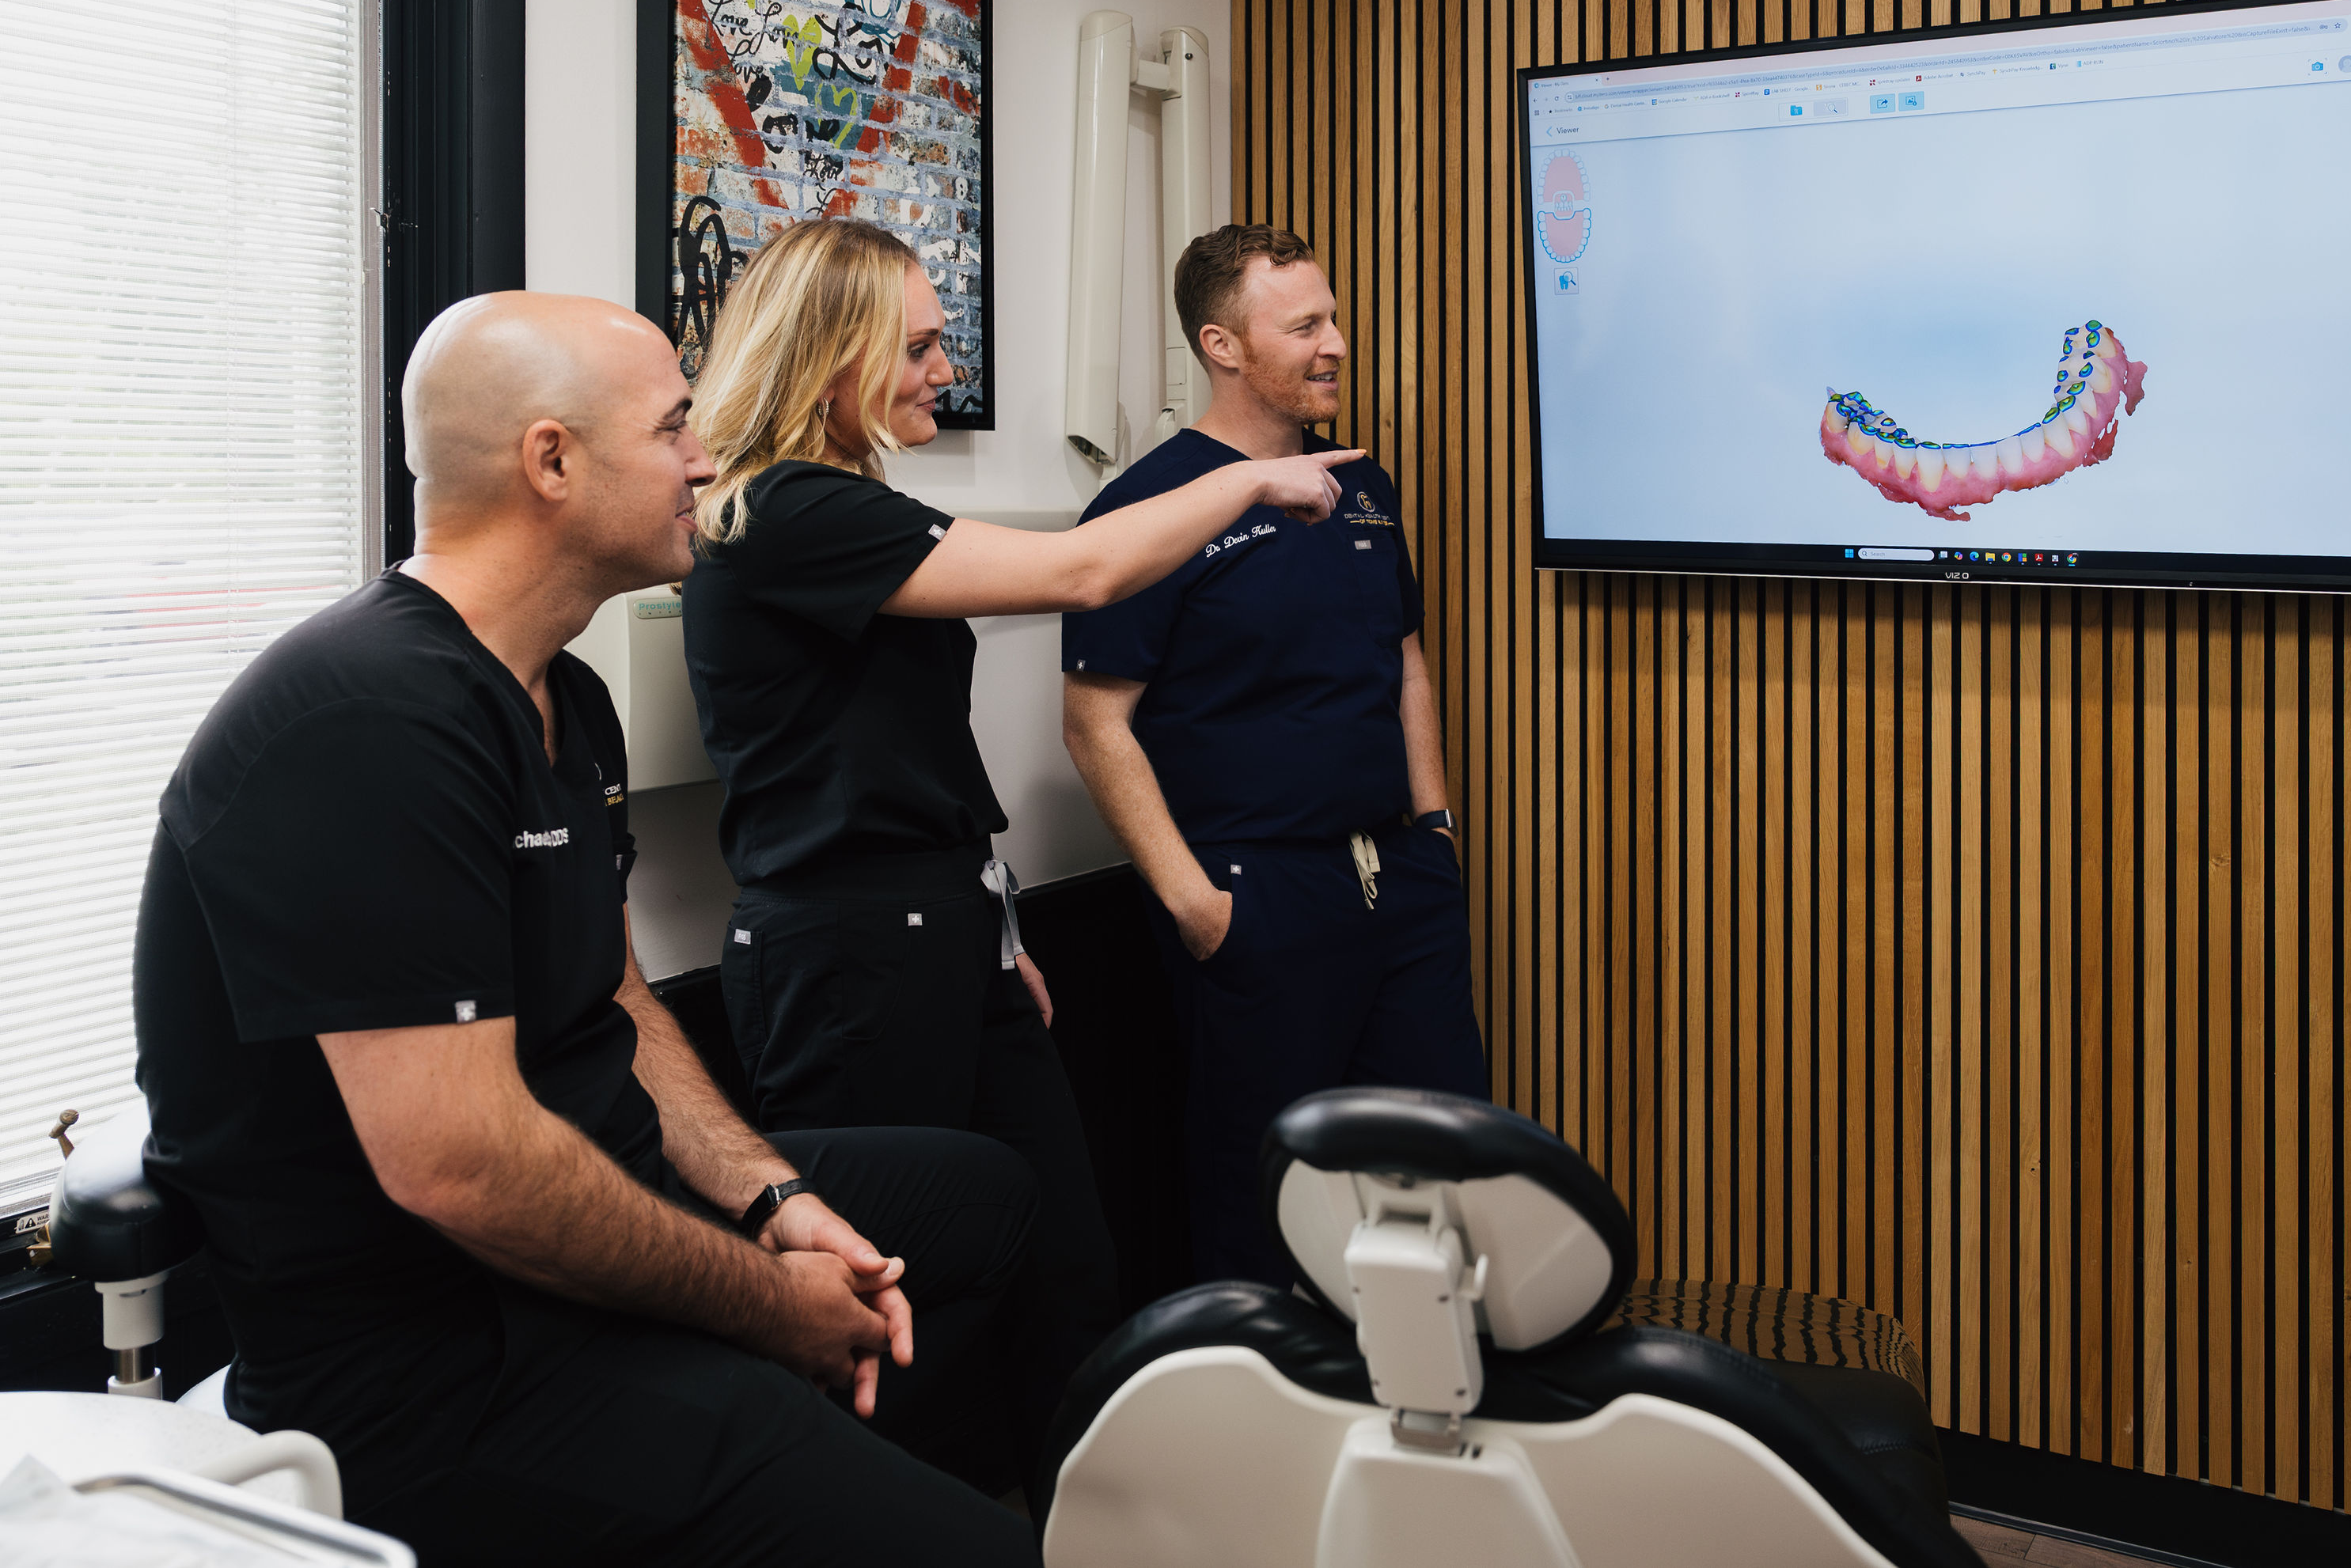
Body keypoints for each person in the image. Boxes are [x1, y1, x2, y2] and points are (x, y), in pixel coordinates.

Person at [135, 293, 1045, 1565]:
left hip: (587, 1220)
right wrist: (765, 1307)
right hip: (435, 1359)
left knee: (988, 1199)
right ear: (552, 460)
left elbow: (616, 1002)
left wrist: (774, 1198)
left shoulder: (565, 692)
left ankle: (824, 1471)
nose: (708, 461)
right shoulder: (363, 721)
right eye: (676, 427)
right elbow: (462, 1167)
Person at [678, 218, 1362, 1477]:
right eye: (924, 347)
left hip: (946, 933)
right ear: (831, 356)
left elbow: (920, 755)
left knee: (1062, 1270)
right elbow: (1084, 572)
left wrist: (996, 930)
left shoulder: (855, 502)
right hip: (846, 957)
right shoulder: (783, 510)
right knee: (892, 1297)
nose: (948, 369)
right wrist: (1250, 479)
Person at [1061, 224, 1488, 1284]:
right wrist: (1195, 904)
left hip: (1400, 881)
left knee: (1443, 1171)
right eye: (1305, 325)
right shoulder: (1148, 509)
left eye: (1333, 317)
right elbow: (1094, 720)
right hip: (1257, 898)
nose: (1336, 342)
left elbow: (1406, 661)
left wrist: (1434, 826)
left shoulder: (1362, 484)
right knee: (1270, 1200)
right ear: (1224, 345)